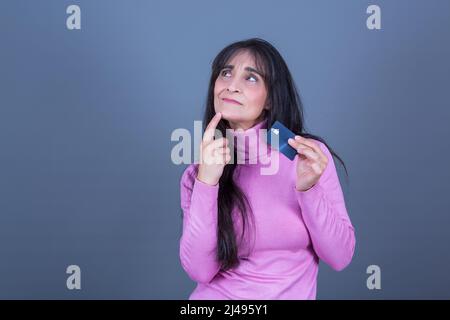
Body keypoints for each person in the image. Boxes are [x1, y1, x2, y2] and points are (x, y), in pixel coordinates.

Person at [179, 38, 356, 299]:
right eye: (225, 73)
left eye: (251, 78)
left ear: (270, 99)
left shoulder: (305, 157)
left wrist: (309, 190)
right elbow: (200, 271)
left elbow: (340, 257)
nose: (231, 86)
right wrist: (207, 184)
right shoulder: (198, 173)